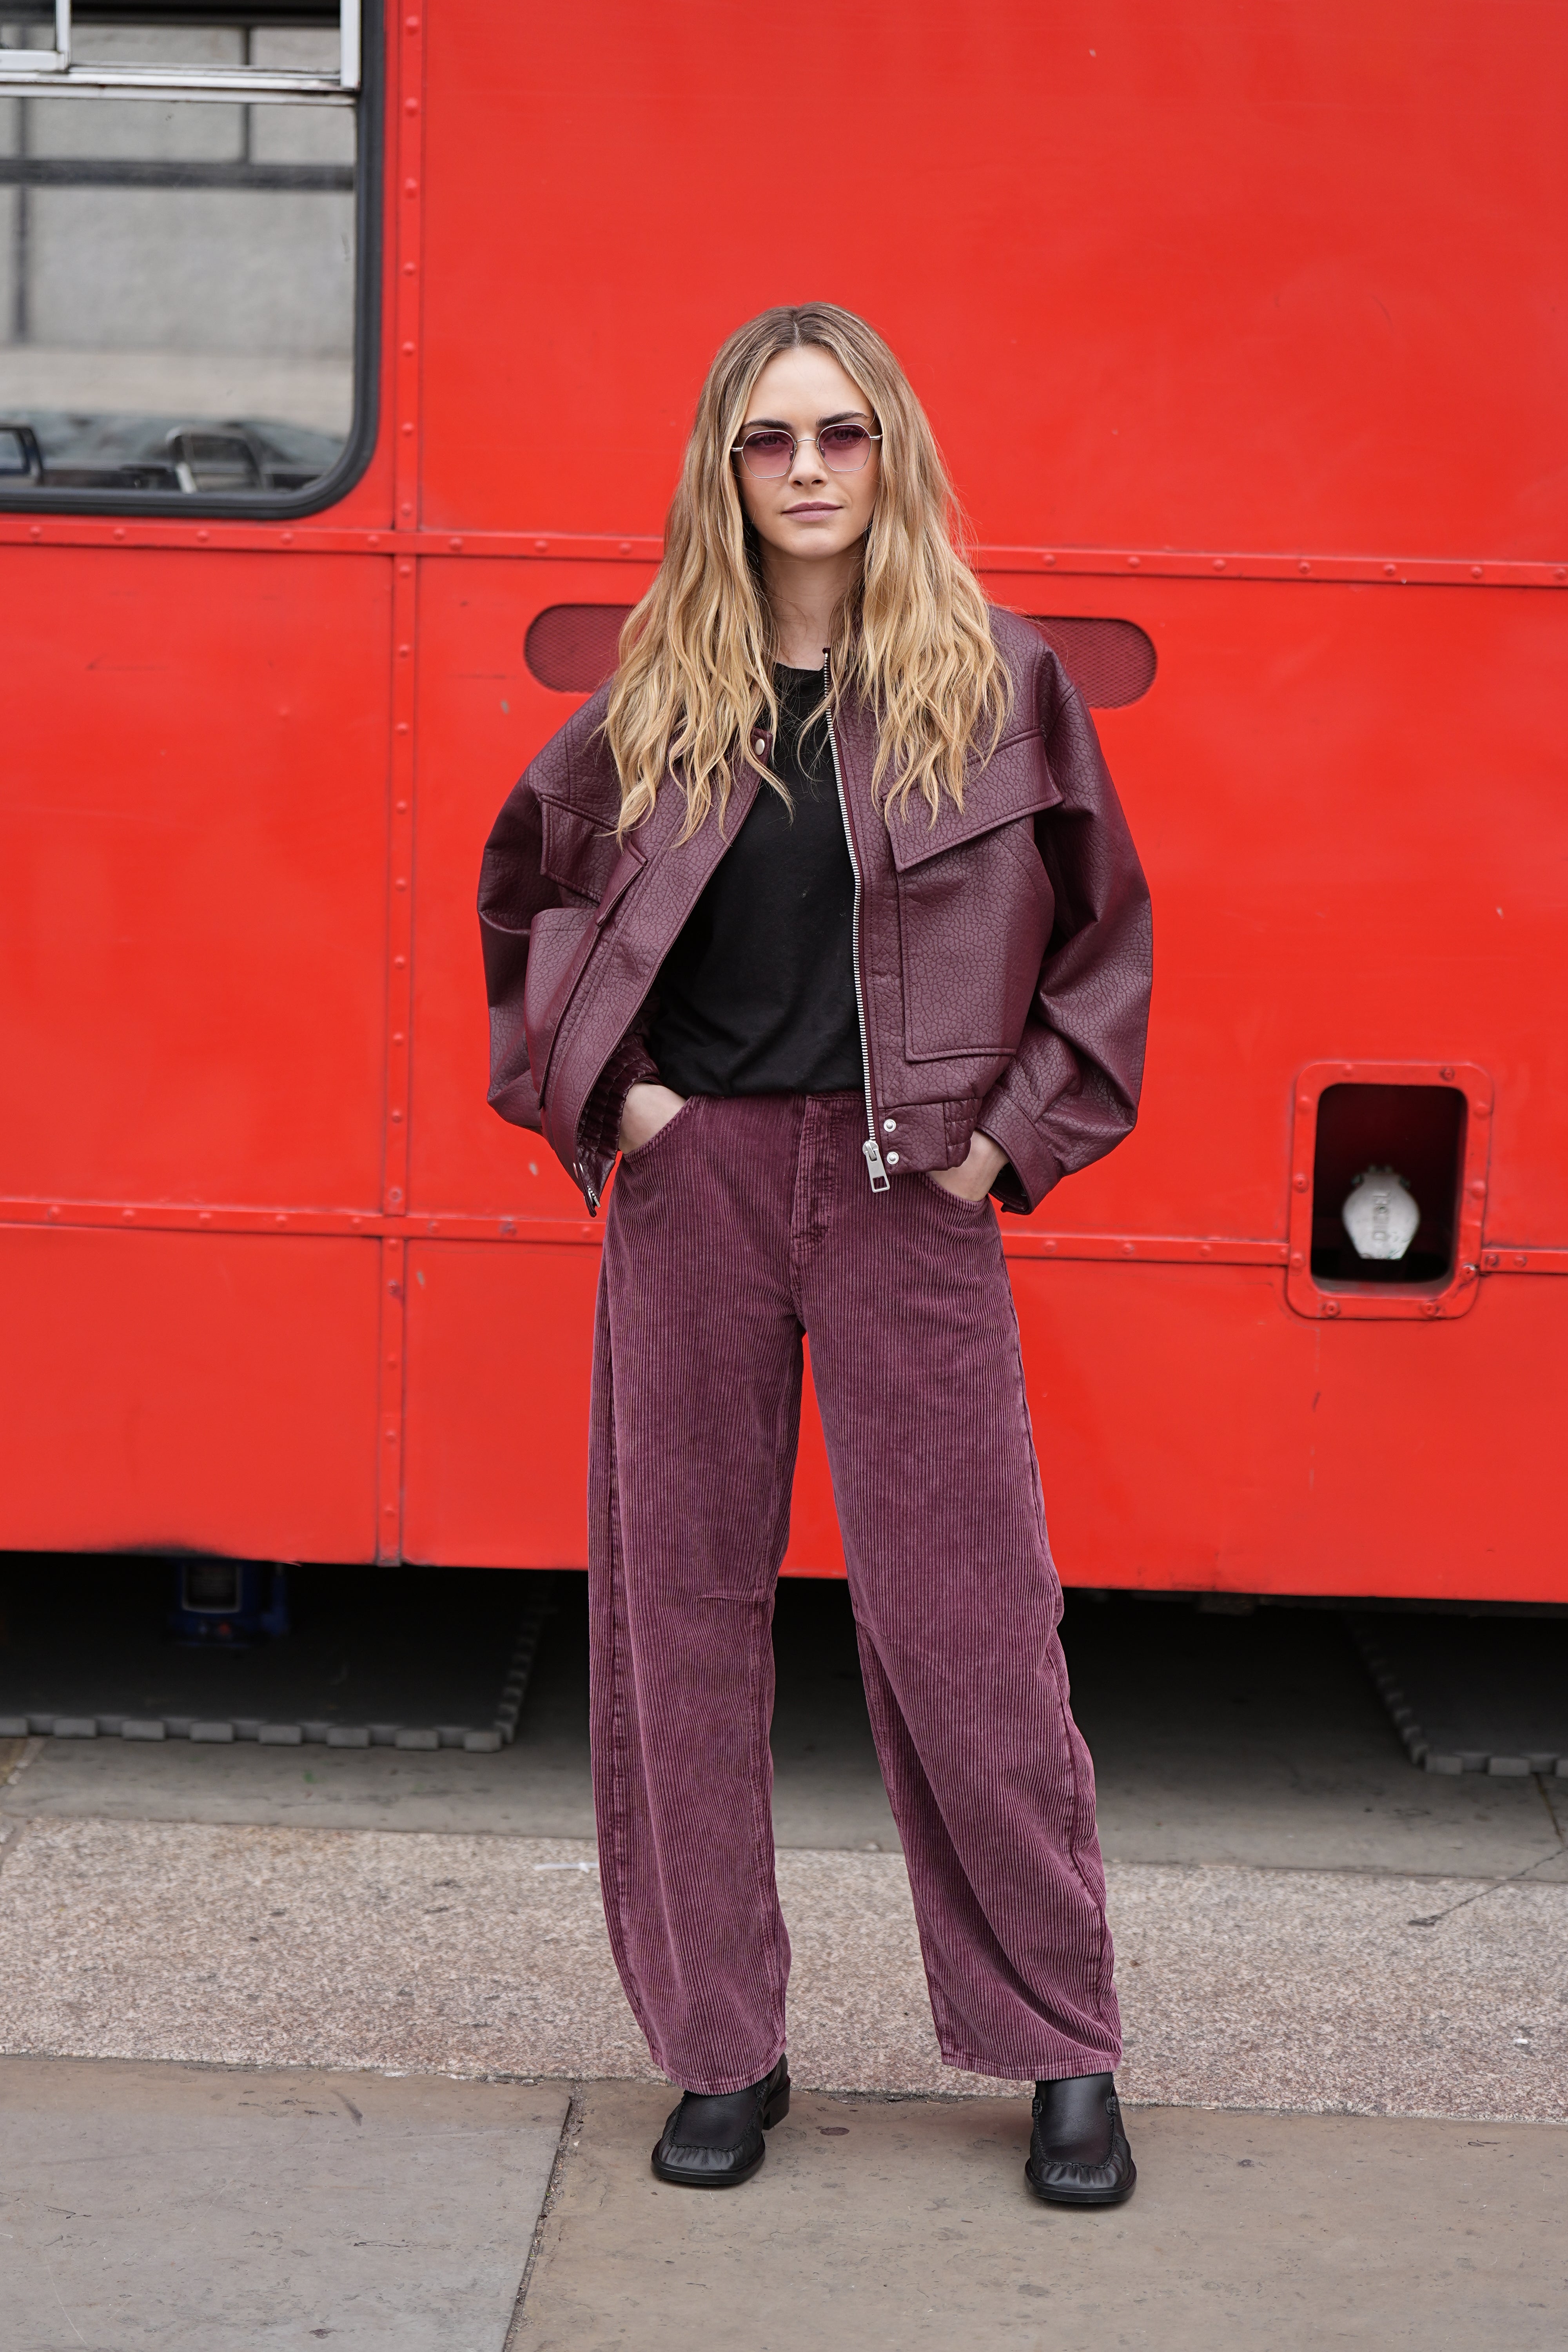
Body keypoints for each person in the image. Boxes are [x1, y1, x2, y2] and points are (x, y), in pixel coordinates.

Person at [479, 302, 1152, 2206]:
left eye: (838, 436)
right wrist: (609, 1108)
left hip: (904, 1195)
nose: (804, 472)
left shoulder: (991, 685)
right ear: (723, 468)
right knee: (674, 1631)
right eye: (768, 441)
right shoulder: (656, 702)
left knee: (969, 1633)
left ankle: (1058, 2046)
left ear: (889, 456)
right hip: (695, 1198)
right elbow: (519, 894)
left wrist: (1003, 1147)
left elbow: (1106, 944)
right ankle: (722, 2050)